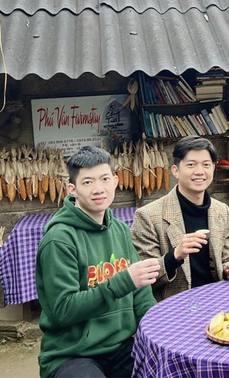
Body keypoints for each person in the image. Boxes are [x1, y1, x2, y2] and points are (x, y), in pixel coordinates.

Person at [35, 146, 159, 378]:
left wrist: (158, 333)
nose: (98, 189)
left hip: (122, 348)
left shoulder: (120, 230)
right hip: (72, 354)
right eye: (88, 182)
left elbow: (141, 296)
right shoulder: (59, 239)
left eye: (104, 179)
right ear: (72, 189)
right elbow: (63, 310)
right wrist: (121, 282)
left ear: (115, 181)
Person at [131, 136, 229, 301]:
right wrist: (175, 255)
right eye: (191, 165)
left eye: (206, 165)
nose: (199, 171)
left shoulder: (222, 211)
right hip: (175, 307)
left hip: (218, 299)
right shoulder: (148, 216)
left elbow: (227, 259)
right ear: (175, 170)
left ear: (213, 168)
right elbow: (145, 279)